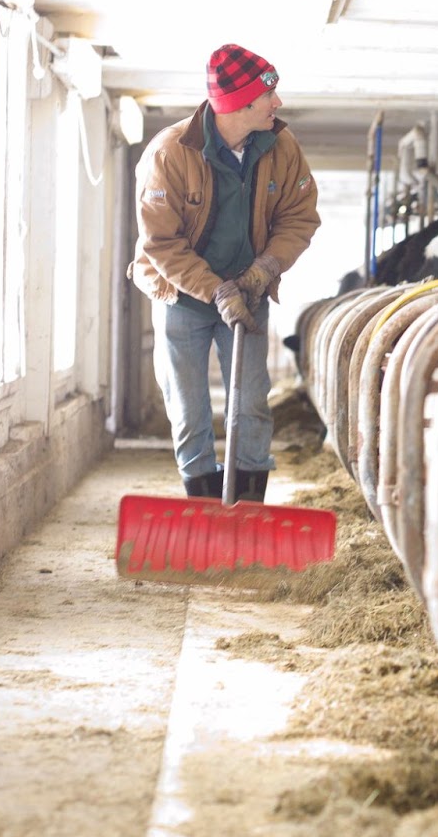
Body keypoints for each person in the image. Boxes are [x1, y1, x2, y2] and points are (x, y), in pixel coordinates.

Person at [129, 44, 321, 502]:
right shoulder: (170, 153)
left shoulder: (281, 147)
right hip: (181, 296)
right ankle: (203, 504)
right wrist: (216, 291)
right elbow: (161, 243)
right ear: (240, 104)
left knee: (251, 402)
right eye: (268, 96)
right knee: (188, 406)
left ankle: (248, 507)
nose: (278, 104)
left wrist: (263, 271)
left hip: (247, 292)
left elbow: (299, 216)